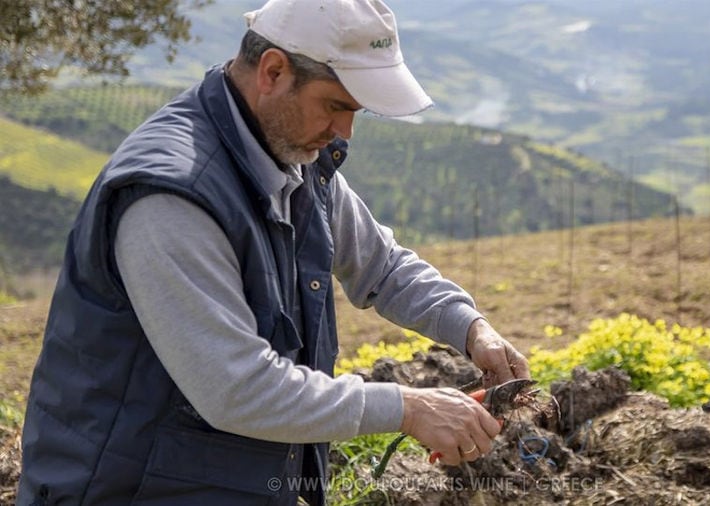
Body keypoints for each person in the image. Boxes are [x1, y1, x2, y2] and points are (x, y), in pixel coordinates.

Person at [16, 0, 530, 504]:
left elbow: (384, 267)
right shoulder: (172, 196)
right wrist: (408, 407)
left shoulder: (295, 159)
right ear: (274, 71)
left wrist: (470, 327)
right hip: (128, 489)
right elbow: (237, 389)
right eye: (336, 105)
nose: (345, 131)